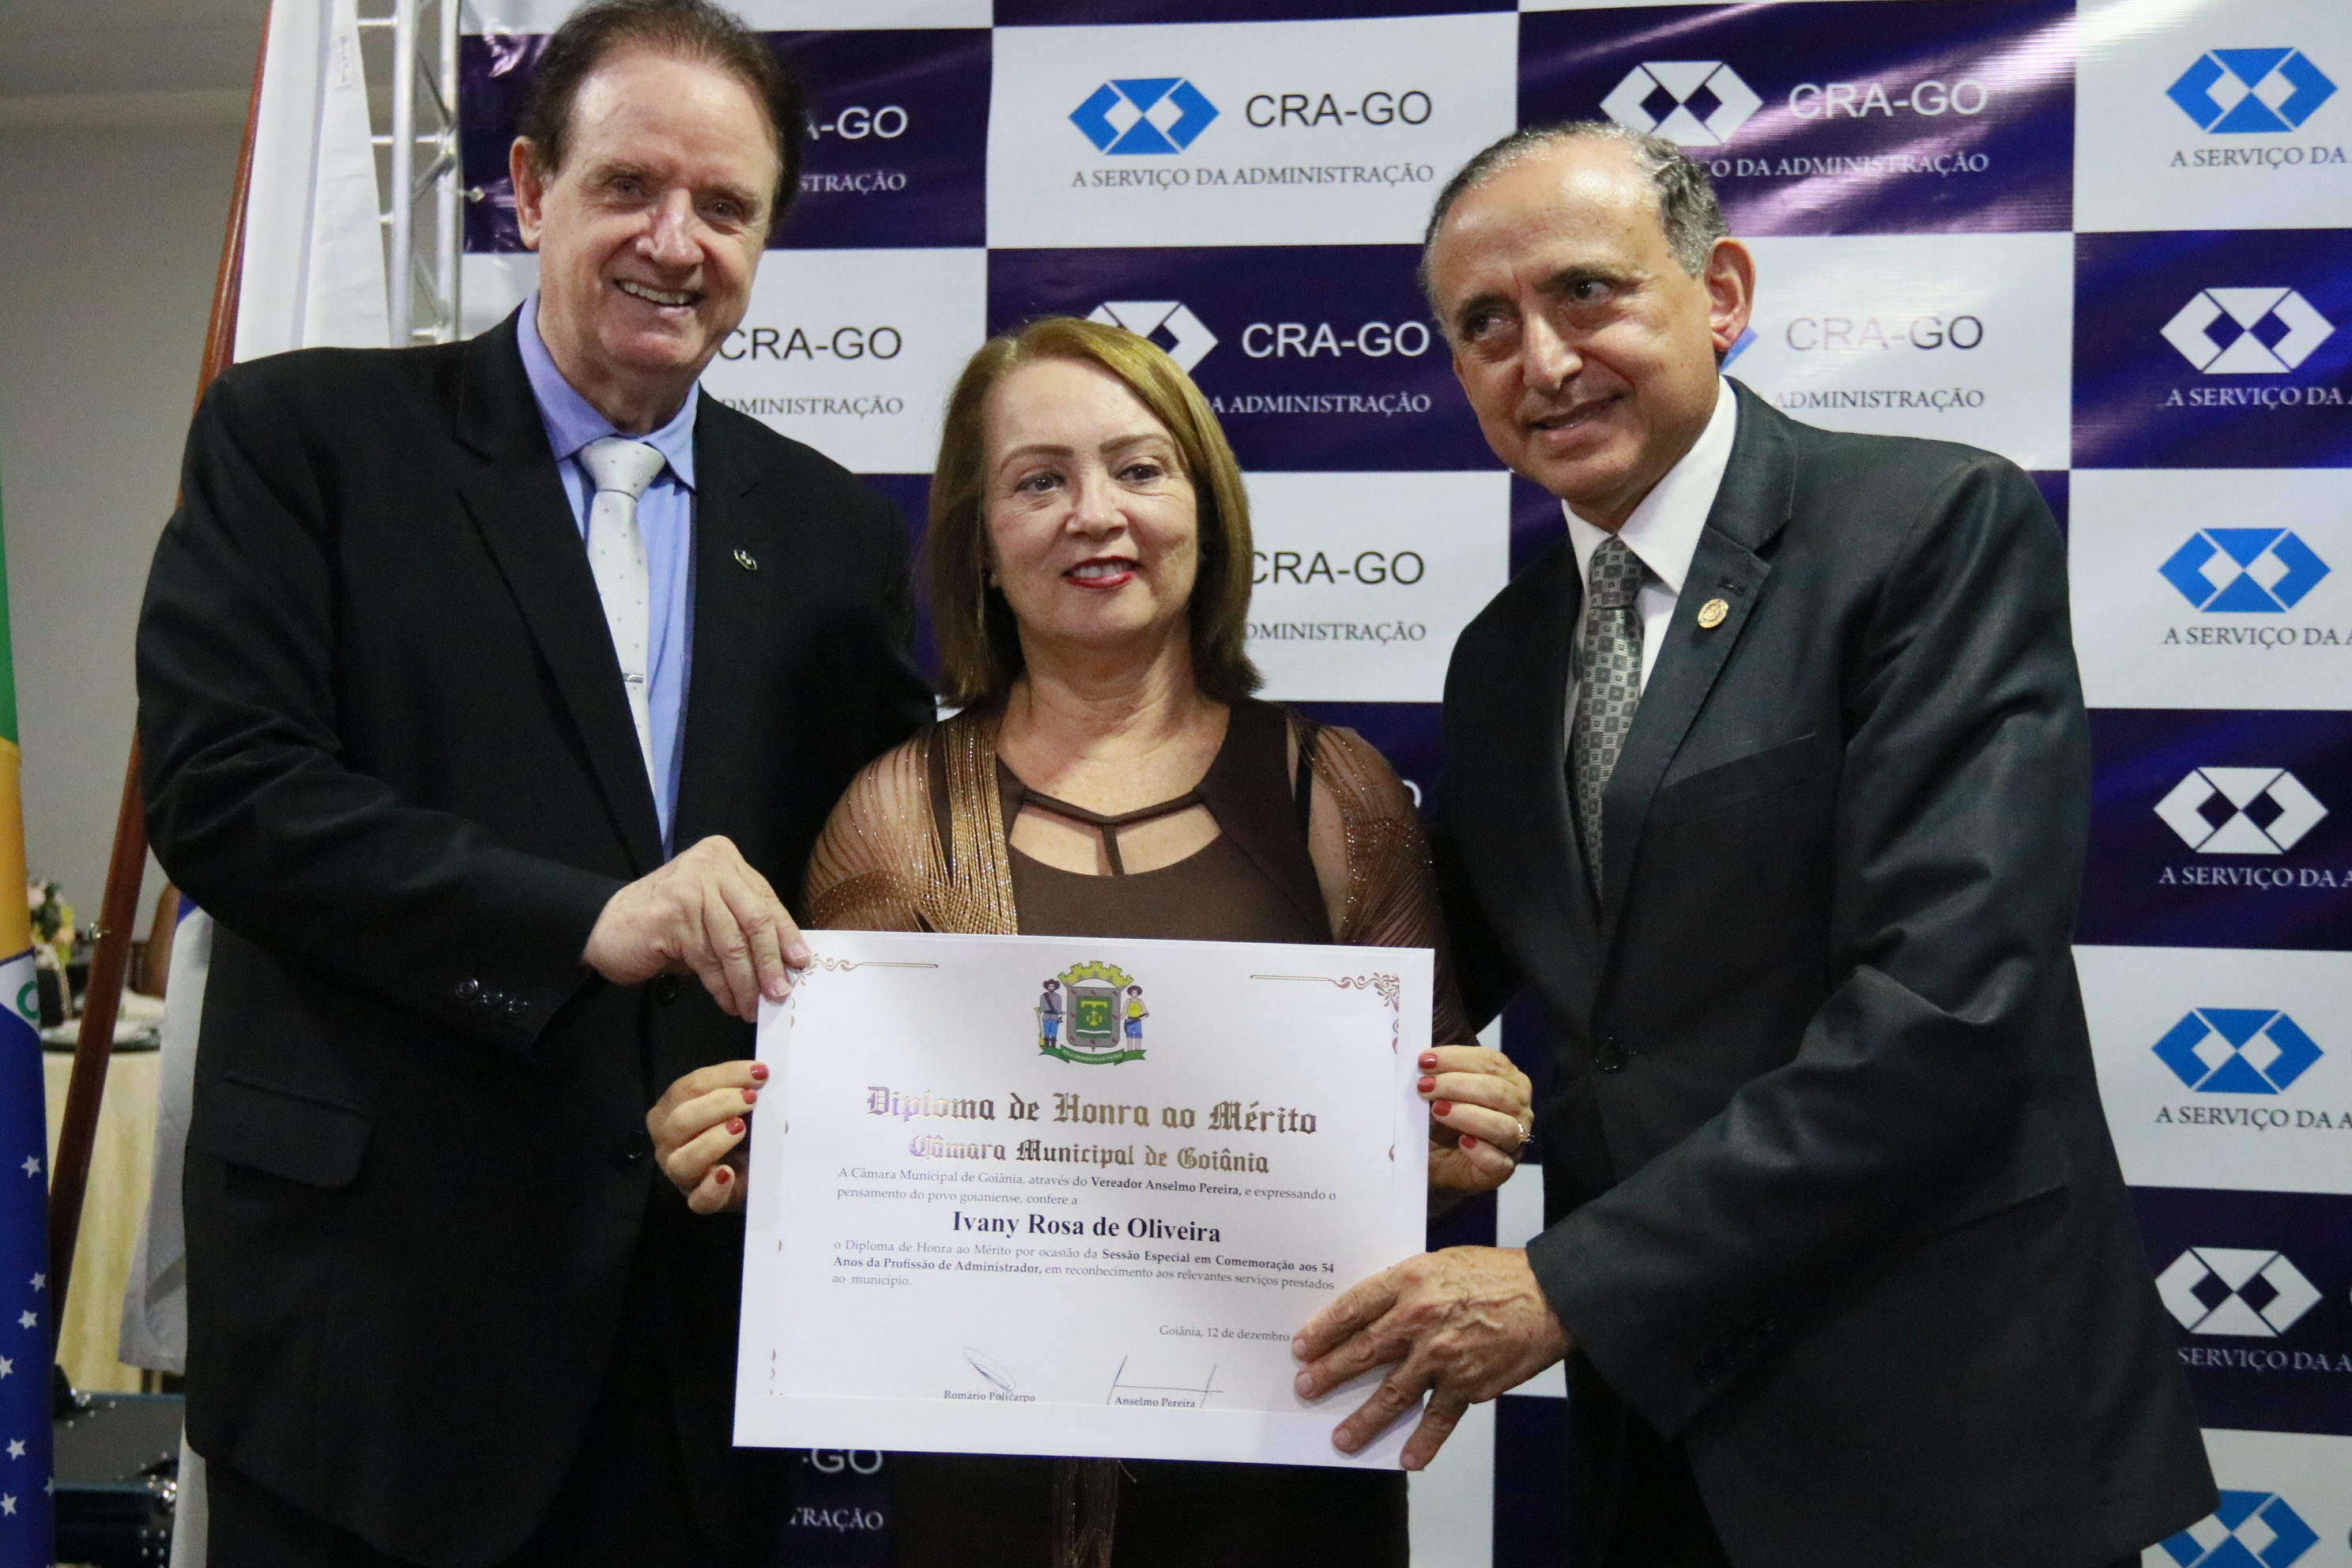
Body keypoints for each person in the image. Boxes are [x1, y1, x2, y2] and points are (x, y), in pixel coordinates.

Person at [1290, 123, 2216, 1568]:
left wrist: (1567, 1285)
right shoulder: (1505, 655)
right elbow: (1431, 983)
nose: (1544, 360)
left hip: (1945, 1432)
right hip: (1660, 1433)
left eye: (1586, 293)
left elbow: (1950, 1005)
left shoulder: (1927, 529)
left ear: (1719, 293)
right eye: (1486, 325)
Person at [134, 2, 934, 1563]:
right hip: (373, 1338)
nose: (674, 242)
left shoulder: (832, 530)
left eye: (725, 206)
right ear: (528, 188)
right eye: (629, 185)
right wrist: (583, 917)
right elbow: (226, 792)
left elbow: (883, 866)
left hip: (689, 1344)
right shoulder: (305, 439)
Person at [646, 315, 1533, 1567]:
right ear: (980, 542)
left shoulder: (1336, 796)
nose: (1095, 514)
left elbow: (1410, 1151)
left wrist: (1454, 1138)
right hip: (979, 1509)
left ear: (1205, 510)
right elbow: (843, 1164)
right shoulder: (893, 814)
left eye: (1139, 468)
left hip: (1283, 1502)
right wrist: (751, 1148)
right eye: (1039, 481)